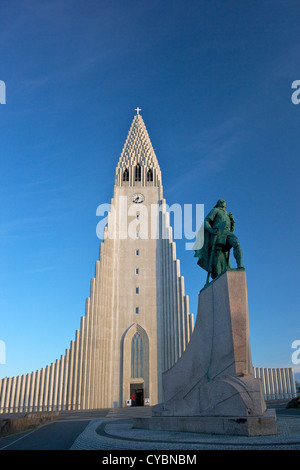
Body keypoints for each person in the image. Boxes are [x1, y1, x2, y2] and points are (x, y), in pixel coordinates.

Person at [194, 199, 244, 281]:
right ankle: (218, 276)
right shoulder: (215, 210)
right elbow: (206, 222)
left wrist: (232, 221)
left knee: (236, 243)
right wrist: (211, 230)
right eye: (221, 201)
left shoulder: (228, 215)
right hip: (218, 234)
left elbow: (231, 230)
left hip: (227, 234)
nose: (223, 201)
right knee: (217, 255)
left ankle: (240, 265)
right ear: (218, 204)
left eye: (224, 201)